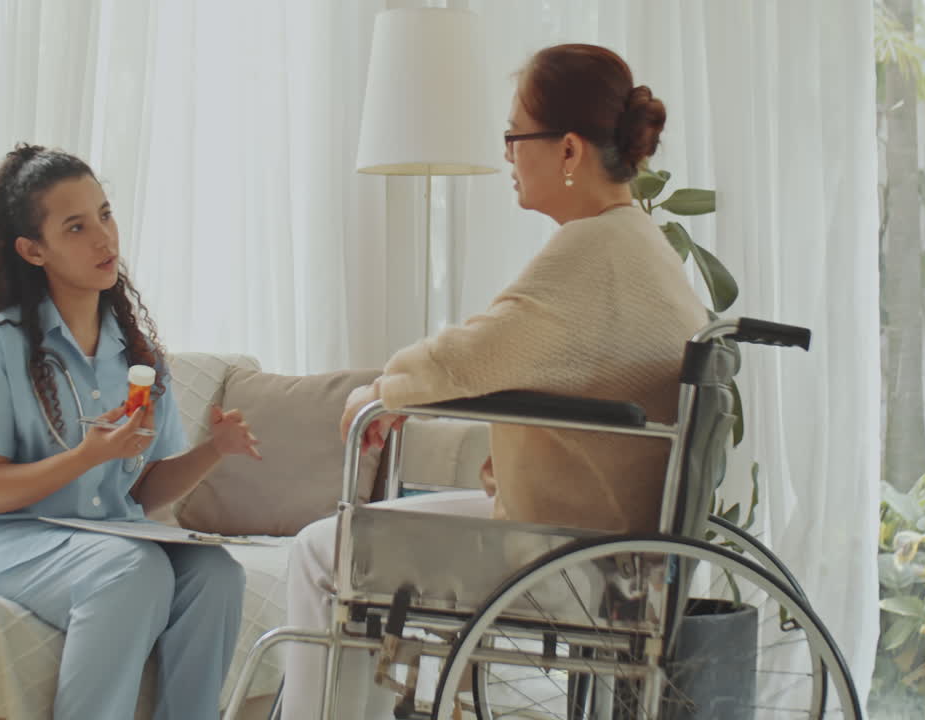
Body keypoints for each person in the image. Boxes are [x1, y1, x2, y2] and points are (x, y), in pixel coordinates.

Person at [282, 43, 709, 719]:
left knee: (317, 552)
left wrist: (380, 393)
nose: (507, 154)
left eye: (514, 136)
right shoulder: (634, 241)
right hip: (615, 551)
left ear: (568, 152)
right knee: (344, 544)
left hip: (573, 559)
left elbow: (473, 355)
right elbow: (504, 349)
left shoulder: (593, 250)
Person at [0, 144, 261, 720]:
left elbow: (142, 493)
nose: (104, 239)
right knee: (132, 572)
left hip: (110, 537)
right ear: (34, 250)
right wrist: (86, 456)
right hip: (10, 541)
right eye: (77, 227)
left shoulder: (137, 357)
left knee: (216, 576)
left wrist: (216, 450)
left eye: (105, 215)